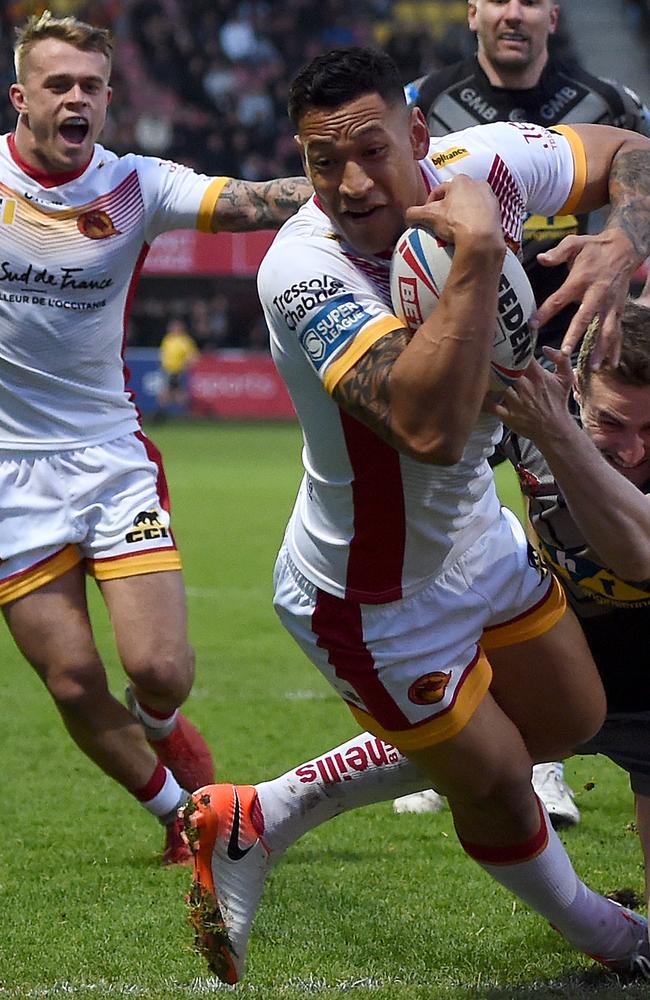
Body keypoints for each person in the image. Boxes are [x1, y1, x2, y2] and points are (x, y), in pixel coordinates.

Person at [180, 46, 650, 983]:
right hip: (370, 591)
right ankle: (621, 939)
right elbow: (426, 430)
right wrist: (476, 255)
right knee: (503, 788)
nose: (350, 184)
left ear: (421, 137)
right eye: (321, 162)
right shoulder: (301, 270)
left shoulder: (488, 163)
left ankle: (258, 813)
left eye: (372, 151)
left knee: (568, 717)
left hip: (478, 531)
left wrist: (628, 231)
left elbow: (627, 146)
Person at [0, 10, 312, 867]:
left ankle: (164, 725)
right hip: (5, 478)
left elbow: (253, 201)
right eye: (59, 85)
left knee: (161, 671)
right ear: (20, 97)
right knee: (69, 678)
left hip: (109, 460)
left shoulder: (135, 183)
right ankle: (185, 816)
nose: (78, 99)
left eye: (92, 86)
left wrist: (366, 174)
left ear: (110, 97)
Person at [398, 0, 650, 824]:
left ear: (551, 13)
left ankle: (543, 751)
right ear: (471, 11)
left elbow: (641, 180)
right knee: (448, 545)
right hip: (460, 352)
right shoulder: (422, 100)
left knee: (571, 540)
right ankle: (479, 731)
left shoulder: (609, 104)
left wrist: (625, 245)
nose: (513, 11)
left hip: (581, 359)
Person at [154, 317, 199, 421]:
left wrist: (184, 366)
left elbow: (193, 357)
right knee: (173, 394)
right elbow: (163, 353)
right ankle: (186, 414)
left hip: (177, 371)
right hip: (167, 370)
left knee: (170, 394)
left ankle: (161, 415)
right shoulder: (168, 339)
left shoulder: (185, 341)